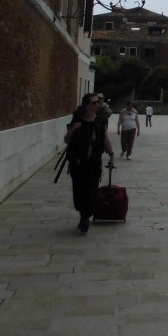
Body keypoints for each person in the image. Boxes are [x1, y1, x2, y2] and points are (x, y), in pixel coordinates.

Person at [64, 93, 115, 233]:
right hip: (78, 162)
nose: (97, 105)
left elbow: (105, 138)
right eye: (94, 103)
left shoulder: (100, 121)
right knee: (79, 190)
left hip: (94, 162)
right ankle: (83, 214)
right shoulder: (77, 119)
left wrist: (111, 155)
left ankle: (85, 217)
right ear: (86, 105)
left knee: (91, 190)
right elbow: (66, 139)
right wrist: (74, 128)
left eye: (98, 103)